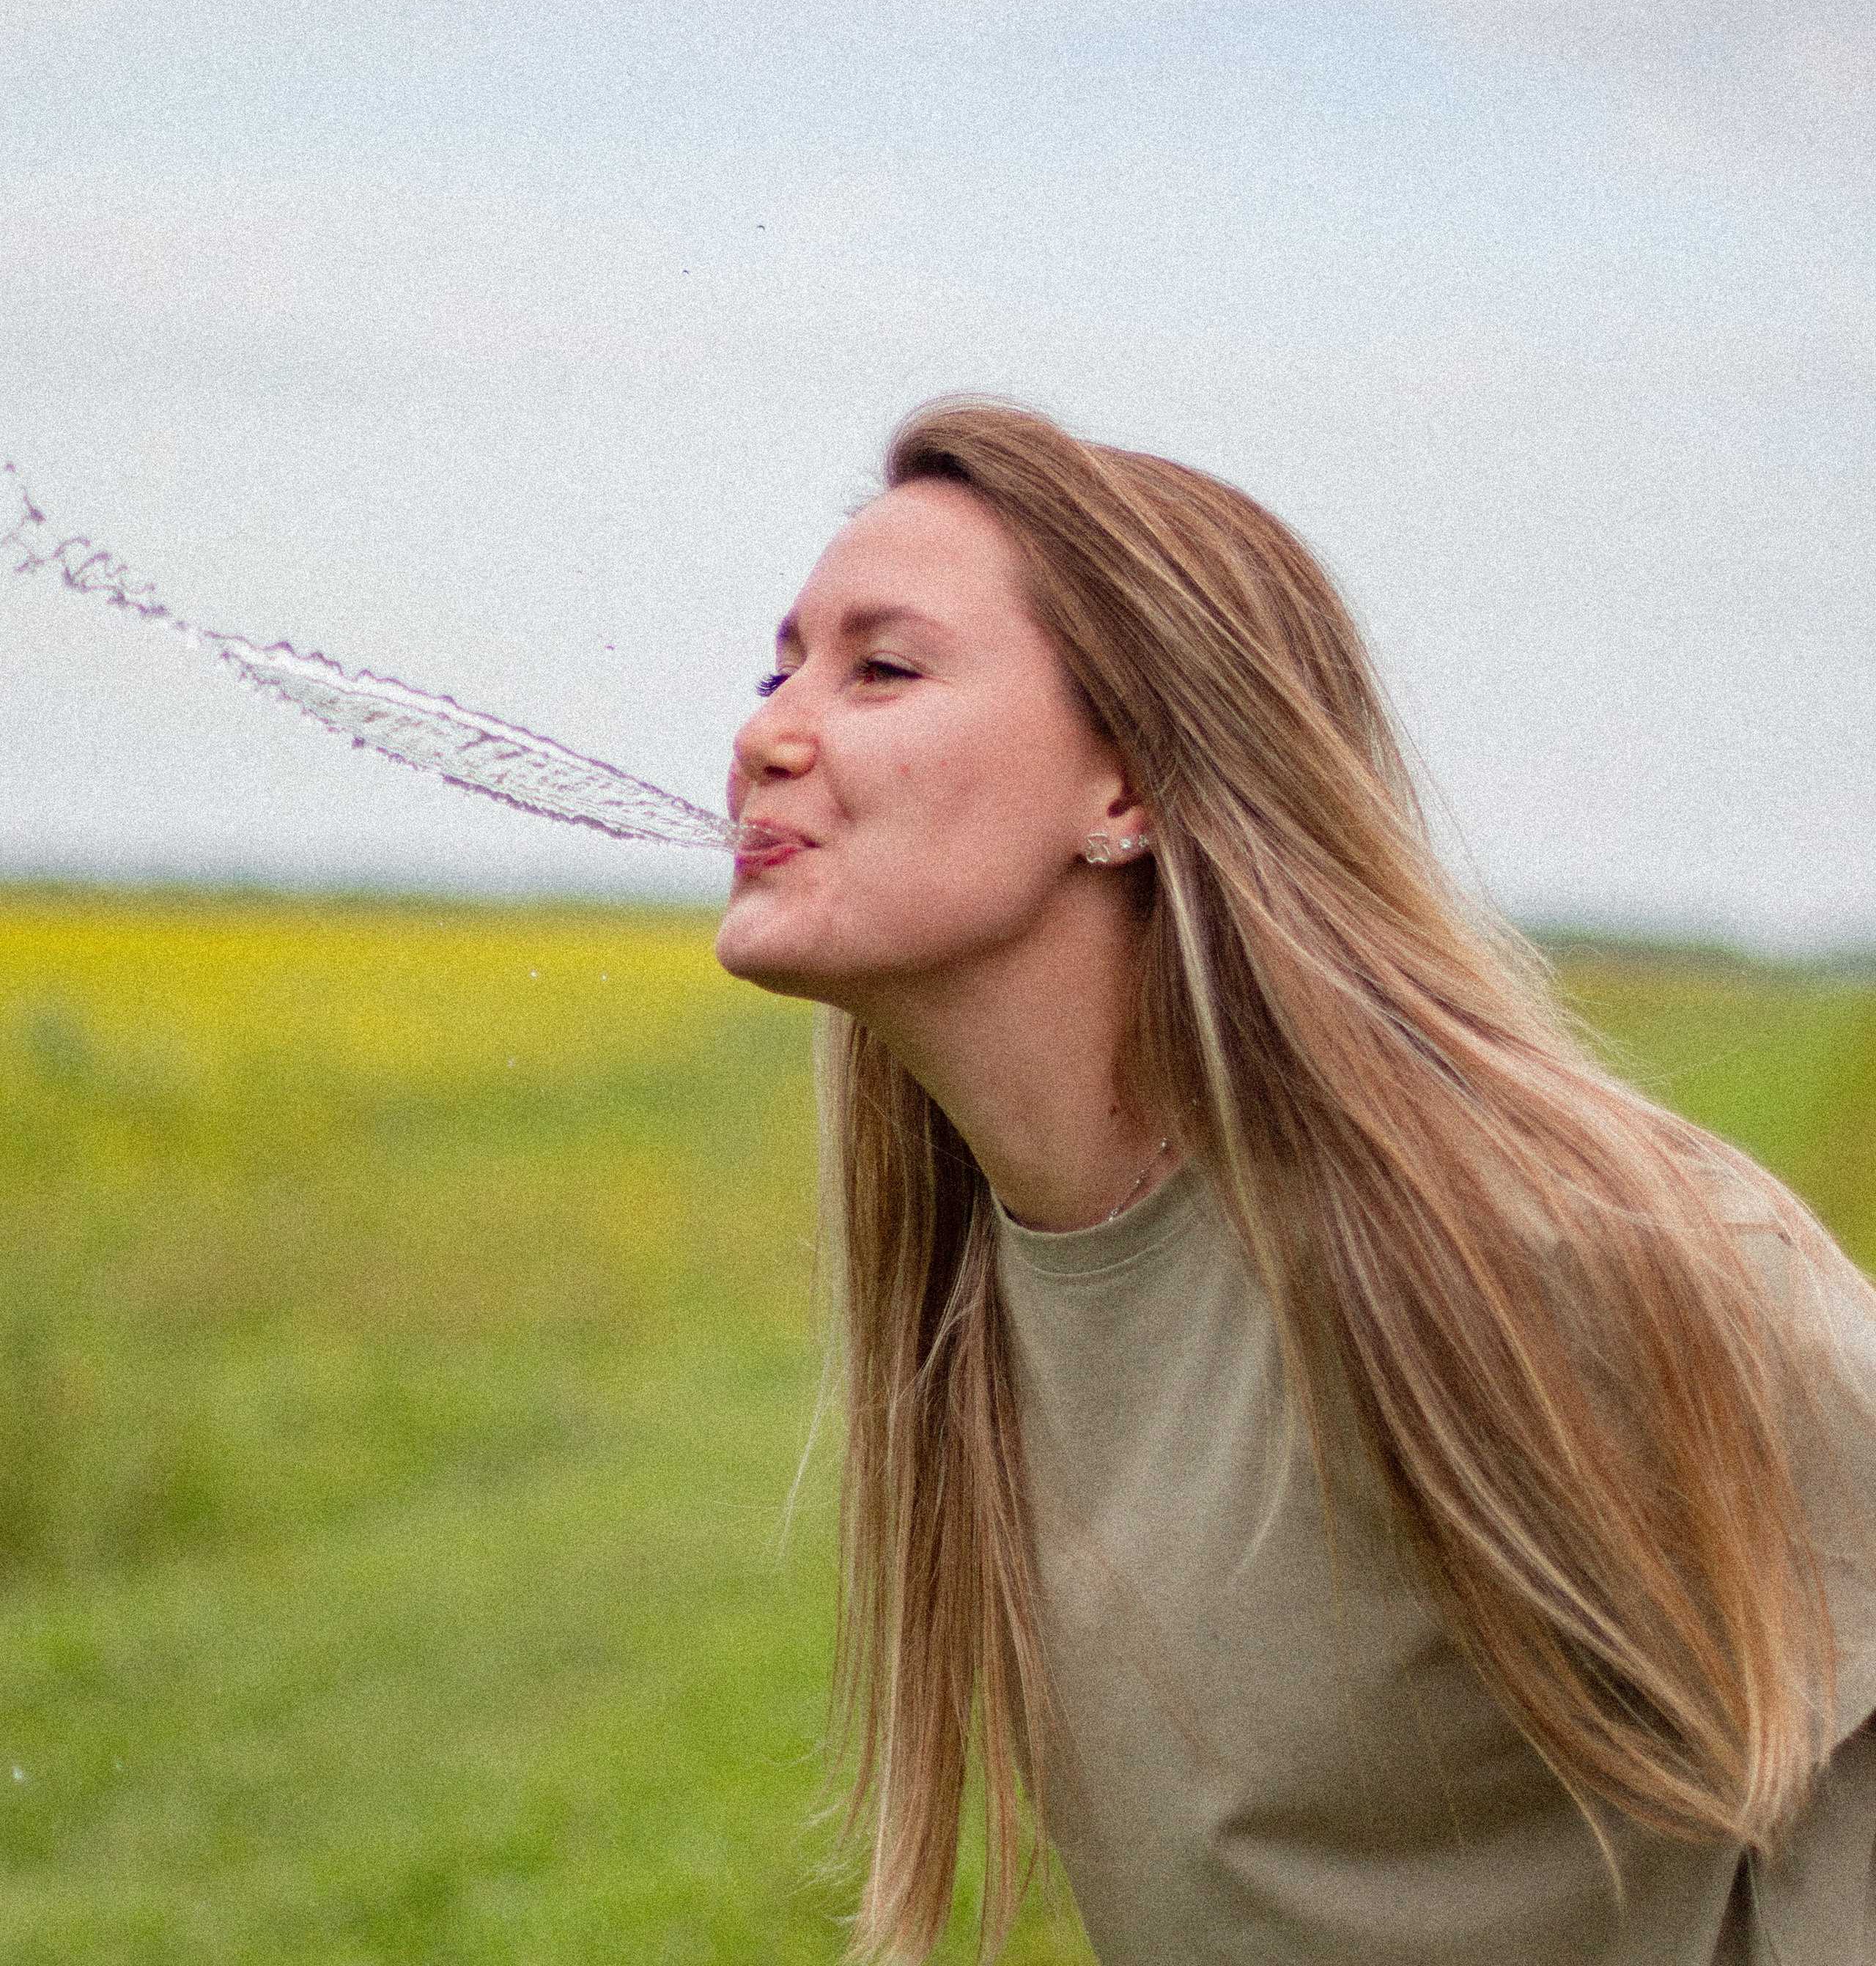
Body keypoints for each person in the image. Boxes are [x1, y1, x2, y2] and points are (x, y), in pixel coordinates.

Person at [714, 399, 1876, 1966]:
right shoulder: (977, 1286)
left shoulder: (1575, 1259)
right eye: (779, 665)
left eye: (882, 668)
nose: (768, 730)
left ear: (1126, 787)